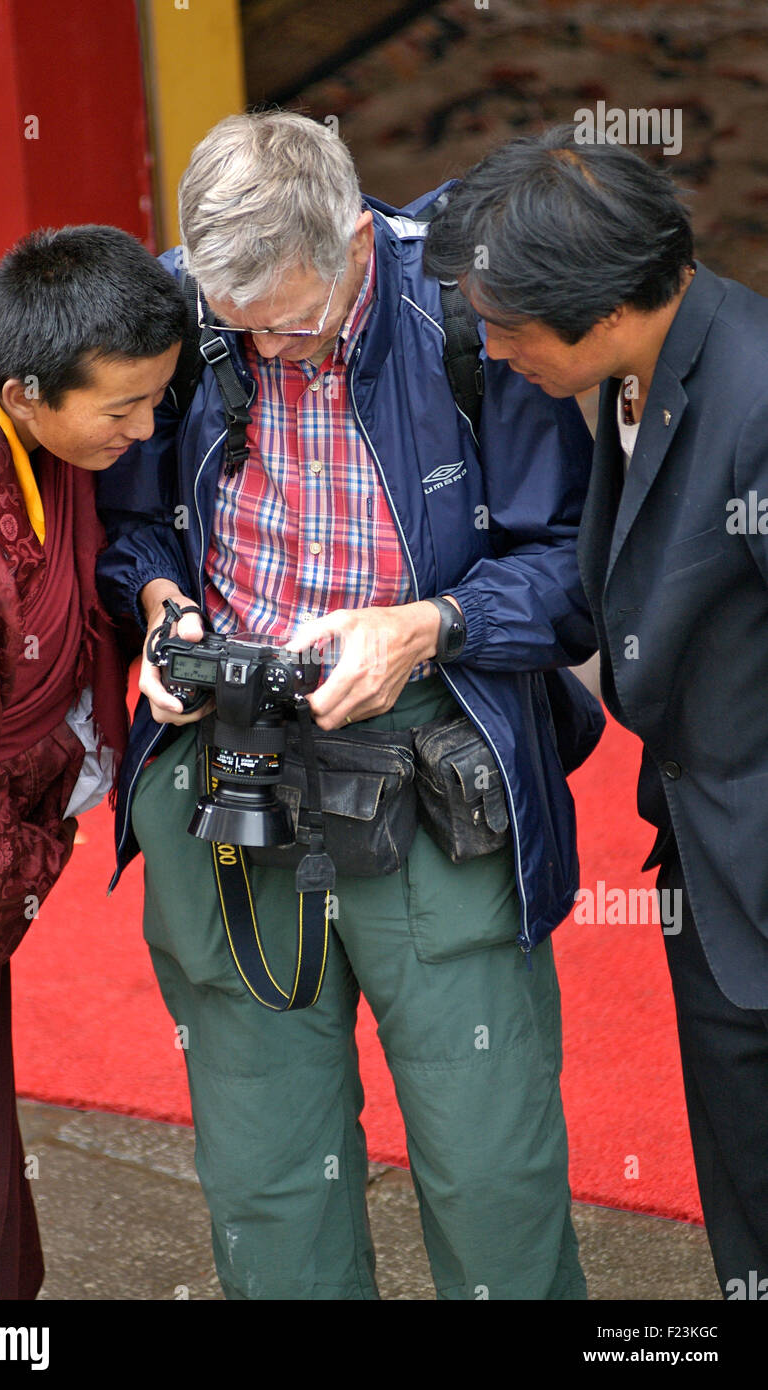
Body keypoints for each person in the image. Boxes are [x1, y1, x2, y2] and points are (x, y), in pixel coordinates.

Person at [96, 111, 601, 1301]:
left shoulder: (468, 317)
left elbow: (575, 563)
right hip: (227, 760)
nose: (260, 351)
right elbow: (124, 520)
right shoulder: (186, 305)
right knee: (269, 1180)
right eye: (234, 324)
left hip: (432, 757)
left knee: (492, 1169)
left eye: (287, 320)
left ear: (356, 247)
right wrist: (162, 609)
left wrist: (427, 625)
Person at [424, 124, 768, 1299]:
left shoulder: (760, 398)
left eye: (505, 325)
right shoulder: (649, 362)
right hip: (709, 851)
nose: (489, 345)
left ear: (604, 304)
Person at [0, 225, 186, 1299]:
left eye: (156, 397)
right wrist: (31, 867)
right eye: (121, 410)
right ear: (27, 393)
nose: (145, 429)